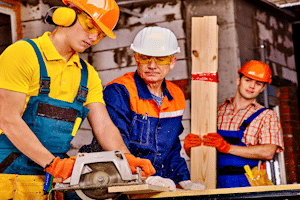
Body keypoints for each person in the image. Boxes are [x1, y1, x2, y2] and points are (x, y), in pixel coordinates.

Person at [0, 0, 155, 198]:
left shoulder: (87, 75)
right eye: (90, 26)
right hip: (6, 177)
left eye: (100, 34)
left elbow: (104, 127)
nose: (93, 37)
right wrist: (53, 164)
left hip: (49, 182)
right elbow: (8, 118)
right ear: (67, 15)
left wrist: (127, 159)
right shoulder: (23, 54)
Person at [102, 26, 205, 190]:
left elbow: (172, 147)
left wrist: (183, 178)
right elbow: (115, 145)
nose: (152, 65)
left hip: (158, 183)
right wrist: (144, 177)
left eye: (161, 59)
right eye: (145, 57)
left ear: (172, 62)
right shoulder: (119, 91)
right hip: (119, 183)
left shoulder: (176, 95)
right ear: (136, 59)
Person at [183, 60, 284, 188]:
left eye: (258, 83)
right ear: (238, 80)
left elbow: (268, 151)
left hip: (247, 182)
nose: (252, 86)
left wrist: (227, 147)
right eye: (248, 80)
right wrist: (189, 148)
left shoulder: (267, 116)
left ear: (263, 88)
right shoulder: (216, 112)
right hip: (213, 181)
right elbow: (205, 151)